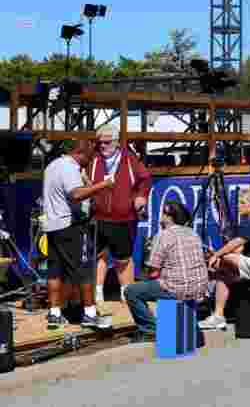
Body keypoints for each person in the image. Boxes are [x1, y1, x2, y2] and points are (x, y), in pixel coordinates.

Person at [42, 141, 115, 330]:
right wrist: (104, 184)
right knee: (85, 270)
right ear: (80, 153)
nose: (89, 162)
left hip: (53, 226)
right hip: (70, 226)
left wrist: (88, 181)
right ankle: (90, 314)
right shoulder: (69, 168)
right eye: (89, 158)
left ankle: (55, 313)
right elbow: (76, 195)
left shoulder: (53, 165)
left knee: (55, 270)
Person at [123, 201, 208, 342]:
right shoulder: (193, 234)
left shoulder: (163, 235)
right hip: (199, 288)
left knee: (131, 291)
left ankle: (150, 330)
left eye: (163, 213)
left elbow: (153, 270)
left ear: (169, 217)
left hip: (177, 288)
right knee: (161, 283)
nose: (160, 216)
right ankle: (176, 326)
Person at [88, 125, 152, 304]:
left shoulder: (129, 158)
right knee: (98, 256)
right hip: (97, 217)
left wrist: (141, 196)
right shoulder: (93, 158)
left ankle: (128, 294)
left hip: (123, 218)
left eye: (106, 142)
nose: (102, 146)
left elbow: (145, 179)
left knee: (123, 259)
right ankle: (97, 293)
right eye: (99, 142)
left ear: (116, 142)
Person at [200, 189, 250, 331]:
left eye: (243, 203)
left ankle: (206, 296)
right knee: (223, 274)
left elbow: (235, 244)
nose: (238, 206)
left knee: (224, 259)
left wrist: (216, 255)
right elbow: (238, 249)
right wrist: (218, 259)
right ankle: (218, 316)